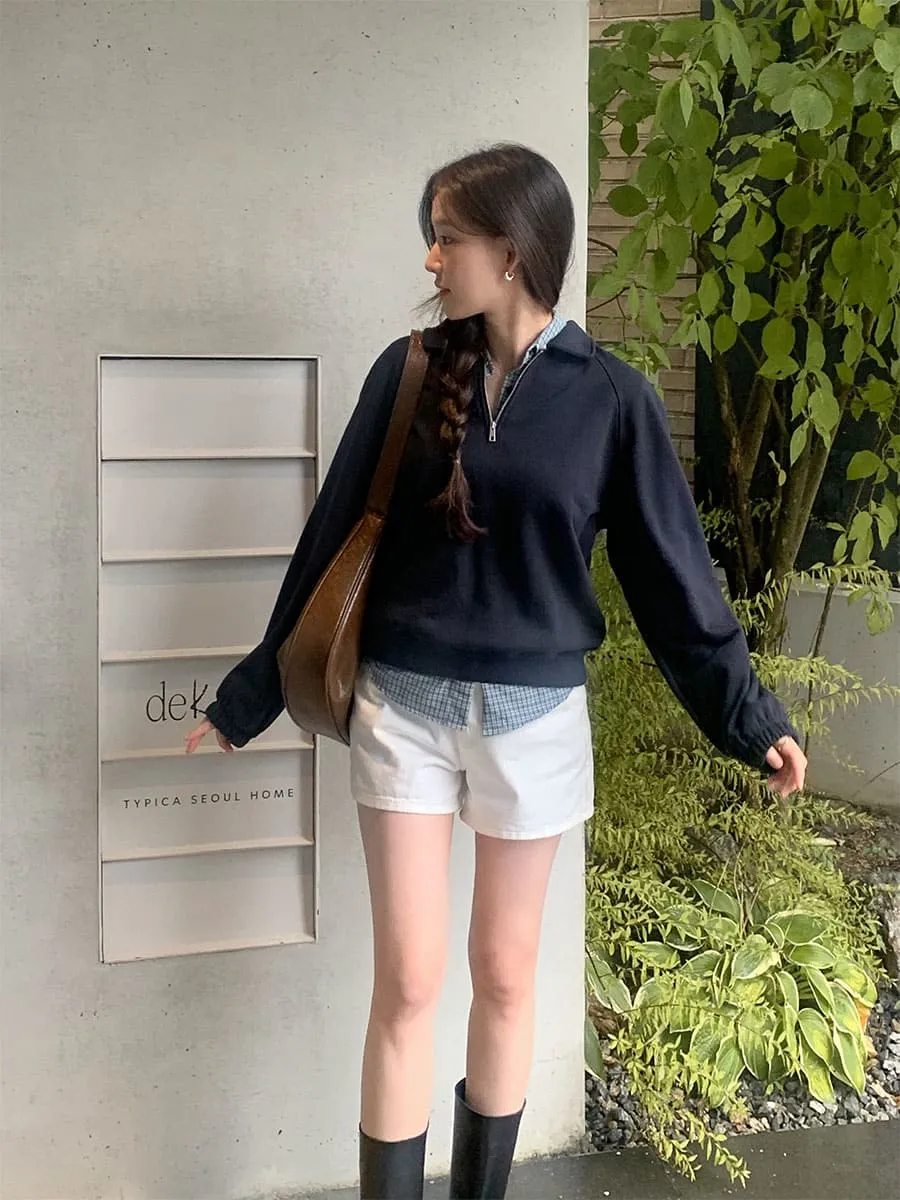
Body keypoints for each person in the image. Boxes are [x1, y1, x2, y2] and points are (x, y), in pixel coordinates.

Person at [185, 143, 807, 1199]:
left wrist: (748, 717)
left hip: (534, 724)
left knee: (508, 980)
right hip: (402, 711)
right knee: (407, 984)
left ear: (512, 250)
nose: (431, 260)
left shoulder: (612, 400)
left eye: (447, 239)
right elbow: (331, 542)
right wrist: (249, 696)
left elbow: (672, 581)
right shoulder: (409, 373)